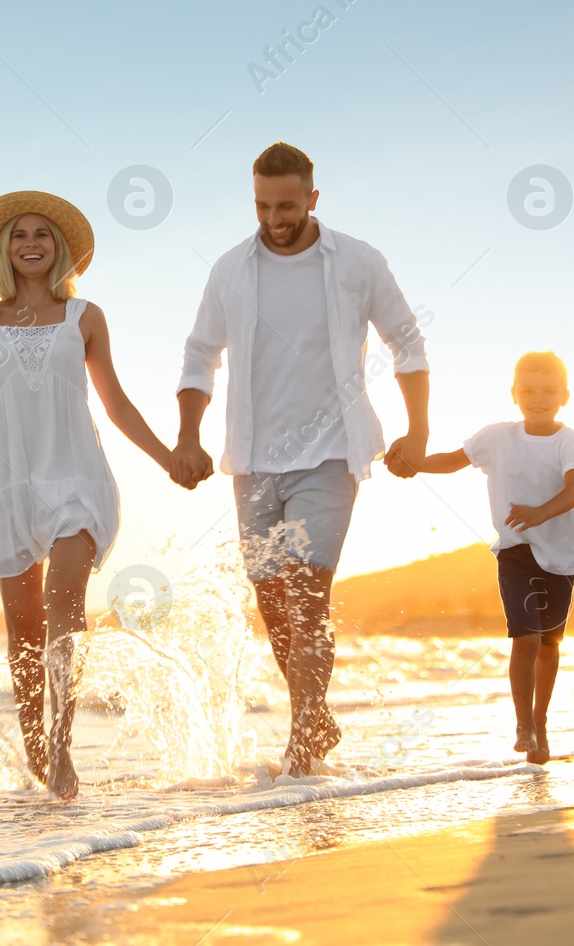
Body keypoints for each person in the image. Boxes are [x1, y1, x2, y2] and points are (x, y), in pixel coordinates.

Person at [172, 142, 430, 776]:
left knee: (307, 590)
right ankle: (315, 713)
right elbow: (199, 354)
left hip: (332, 453)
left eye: (287, 205)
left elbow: (407, 340)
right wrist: (187, 436)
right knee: (269, 596)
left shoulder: (358, 262)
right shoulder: (230, 270)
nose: (275, 218)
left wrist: (418, 431)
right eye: (263, 205)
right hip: (255, 460)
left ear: (313, 199)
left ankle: (302, 742)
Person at [0, 191, 178, 799]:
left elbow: (116, 402)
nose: (31, 243)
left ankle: (60, 746)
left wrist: (167, 459)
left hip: (76, 476)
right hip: (7, 487)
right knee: (22, 633)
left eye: (43, 235)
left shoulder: (86, 317)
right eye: (21, 235)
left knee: (64, 611)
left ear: (59, 250)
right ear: (5, 249)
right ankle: (34, 750)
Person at [399, 351, 574, 764]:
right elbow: (454, 460)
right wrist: (415, 464)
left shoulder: (569, 441)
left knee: (548, 644)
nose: (538, 399)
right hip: (514, 553)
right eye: (528, 391)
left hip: (559, 558)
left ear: (565, 396)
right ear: (513, 394)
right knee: (524, 637)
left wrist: (539, 513)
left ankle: (541, 721)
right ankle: (523, 724)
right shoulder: (496, 437)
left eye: (548, 391)